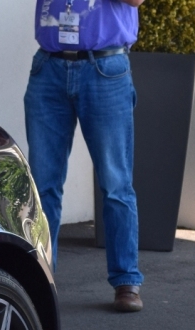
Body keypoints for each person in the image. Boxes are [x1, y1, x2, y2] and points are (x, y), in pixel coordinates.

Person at [26, 0, 146, 313]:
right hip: (48, 68)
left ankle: (126, 281)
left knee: (115, 182)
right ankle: (40, 279)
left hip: (105, 69)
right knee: (42, 186)